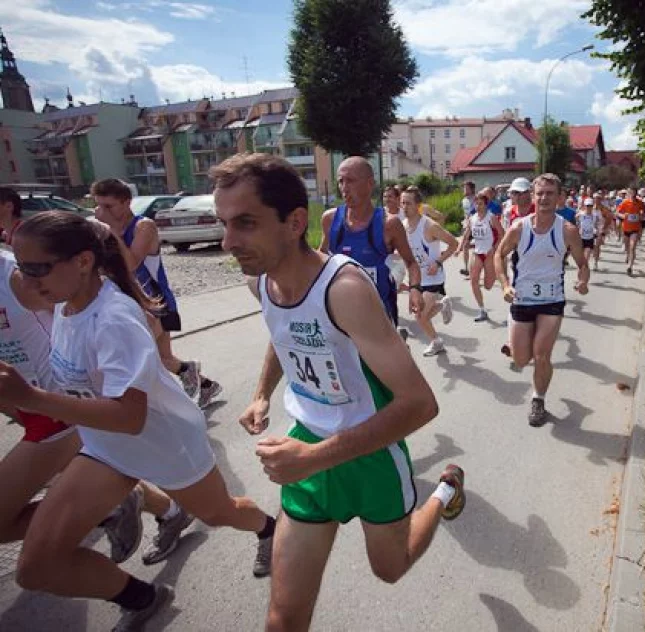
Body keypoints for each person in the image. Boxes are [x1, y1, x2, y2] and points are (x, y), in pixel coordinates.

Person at [210, 153, 466, 632]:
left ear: (295, 223)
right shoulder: (260, 282)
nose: (228, 241)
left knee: (390, 568)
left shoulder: (345, 289)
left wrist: (314, 458)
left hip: (367, 455)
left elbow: (419, 404)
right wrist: (262, 393)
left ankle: (445, 489)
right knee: (283, 620)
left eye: (245, 223)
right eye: (223, 223)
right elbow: (283, 333)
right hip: (306, 447)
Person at [0, 212, 276, 631]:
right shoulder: (64, 302)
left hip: (162, 442)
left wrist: (32, 398)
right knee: (36, 567)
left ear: (83, 261)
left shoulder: (113, 319)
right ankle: (141, 597)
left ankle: (269, 528)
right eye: (20, 267)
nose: (27, 279)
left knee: (220, 513)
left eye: (38, 268)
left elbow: (130, 417)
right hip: (106, 447)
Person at [90, 179, 222, 409]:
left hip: (154, 302)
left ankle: (167, 409)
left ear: (126, 203)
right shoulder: (104, 230)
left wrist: (110, 233)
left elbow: (130, 264)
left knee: (141, 360)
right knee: (162, 359)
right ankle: (203, 383)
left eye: (109, 206)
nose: (102, 211)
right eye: (99, 206)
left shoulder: (143, 226)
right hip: (127, 304)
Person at [494, 174, 589, 426]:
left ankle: (538, 399)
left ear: (559, 198)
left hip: (551, 300)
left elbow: (582, 264)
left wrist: (583, 280)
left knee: (542, 354)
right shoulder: (519, 228)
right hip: (522, 298)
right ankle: (515, 336)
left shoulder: (568, 231)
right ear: (533, 197)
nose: (544, 198)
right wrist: (504, 284)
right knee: (521, 359)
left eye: (550, 193)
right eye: (540, 193)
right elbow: (499, 255)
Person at [319, 158, 422, 339]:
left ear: (370, 184)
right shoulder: (330, 220)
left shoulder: (389, 224)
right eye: (341, 181)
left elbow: (411, 263)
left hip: (379, 315)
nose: (344, 187)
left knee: (385, 367)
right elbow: (319, 261)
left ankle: (398, 342)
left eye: (350, 180)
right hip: (341, 316)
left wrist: (415, 289)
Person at [401, 186, 458, 356]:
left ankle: (436, 341)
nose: (404, 207)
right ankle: (441, 306)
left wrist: (438, 262)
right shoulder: (404, 225)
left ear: (418, 205)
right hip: (419, 279)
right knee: (419, 315)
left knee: (420, 315)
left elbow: (454, 243)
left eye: (408, 203)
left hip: (433, 277)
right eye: (402, 203)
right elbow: (409, 253)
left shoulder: (429, 226)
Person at [458, 189, 503, 322]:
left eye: (480, 204)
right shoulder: (472, 218)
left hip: (489, 253)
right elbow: (466, 234)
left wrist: (494, 249)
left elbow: (502, 234)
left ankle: (491, 276)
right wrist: (459, 248)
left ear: (486, 205)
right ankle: (482, 310)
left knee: (489, 285)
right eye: (476, 204)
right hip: (477, 253)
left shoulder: (491, 217)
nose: (478, 206)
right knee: (473, 281)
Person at [617, 188, 645, 275]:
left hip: (635, 229)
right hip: (626, 228)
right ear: (629, 194)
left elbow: (644, 212)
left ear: (636, 193)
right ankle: (628, 255)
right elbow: (617, 212)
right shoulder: (625, 202)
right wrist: (623, 216)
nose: (633, 195)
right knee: (627, 247)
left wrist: (641, 215)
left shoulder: (640, 202)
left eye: (634, 193)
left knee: (632, 247)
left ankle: (630, 266)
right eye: (631, 193)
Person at [459, 181, 477, 277]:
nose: (464, 190)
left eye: (466, 188)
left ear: (472, 189)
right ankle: (466, 268)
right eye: (464, 188)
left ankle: (479, 268)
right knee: (465, 246)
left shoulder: (477, 199)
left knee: (479, 248)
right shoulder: (463, 200)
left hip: (477, 226)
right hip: (467, 226)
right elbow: (466, 214)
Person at [576, 198, 599, 270]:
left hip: (590, 238)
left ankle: (584, 272)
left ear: (592, 206)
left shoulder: (595, 216)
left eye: (590, 206)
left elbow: (597, 226)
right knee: (580, 258)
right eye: (587, 205)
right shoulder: (580, 215)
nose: (589, 207)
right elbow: (575, 224)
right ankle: (581, 274)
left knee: (586, 257)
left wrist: (596, 231)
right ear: (584, 206)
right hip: (581, 238)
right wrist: (578, 230)